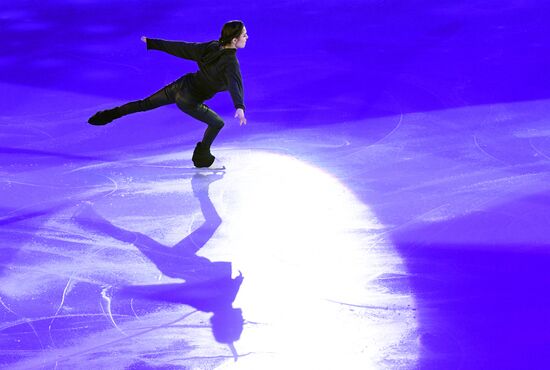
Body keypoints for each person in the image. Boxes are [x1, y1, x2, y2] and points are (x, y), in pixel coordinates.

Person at [88, 20, 249, 168]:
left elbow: (184, 48)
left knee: (144, 104)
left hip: (180, 86)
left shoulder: (212, 46)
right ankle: (203, 158)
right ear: (234, 40)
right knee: (217, 123)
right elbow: (235, 83)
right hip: (189, 100)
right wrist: (239, 107)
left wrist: (154, 43)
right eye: (244, 34)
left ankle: (108, 115)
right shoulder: (231, 62)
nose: (247, 37)